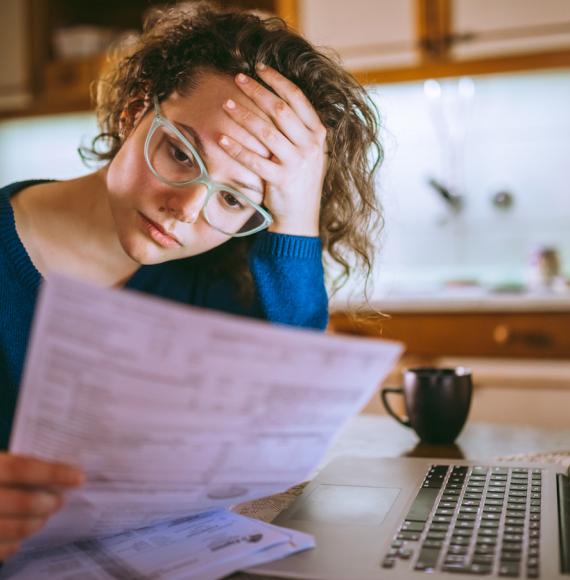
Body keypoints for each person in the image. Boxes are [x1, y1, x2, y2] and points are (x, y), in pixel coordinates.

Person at [0, 1, 383, 560]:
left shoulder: (214, 283)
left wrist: (297, 219)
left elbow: (285, 425)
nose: (185, 210)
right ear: (135, 111)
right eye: (180, 153)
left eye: (232, 199)